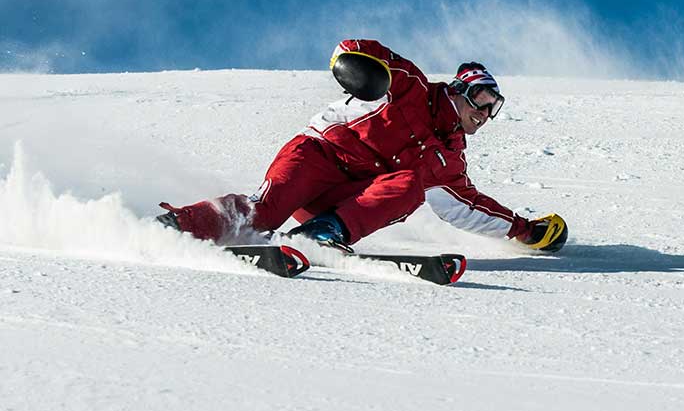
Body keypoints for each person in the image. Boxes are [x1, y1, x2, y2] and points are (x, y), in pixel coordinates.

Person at [157, 39, 567, 253]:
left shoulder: (448, 161)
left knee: (409, 186)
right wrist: (358, 71)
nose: (485, 113)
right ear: (460, 91)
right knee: (264, 212)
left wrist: (525, 230)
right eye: (482, 100)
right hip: (317, 158)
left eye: (493, 108)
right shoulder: (410, 87)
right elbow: (356, 48)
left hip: (342, 202)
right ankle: (184, 225)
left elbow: (468, 208)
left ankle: (321, 235)